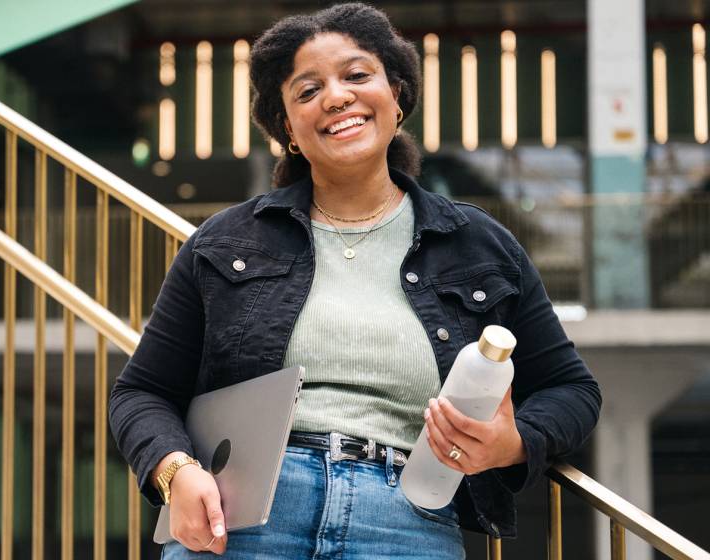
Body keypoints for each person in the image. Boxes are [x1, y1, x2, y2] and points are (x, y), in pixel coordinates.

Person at [109, 3, 601, 559]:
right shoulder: (225, 242)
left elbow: (573, 390)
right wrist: (175, 471)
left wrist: (514, 444)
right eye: (307, 90)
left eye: (357, 75)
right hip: (243, 521)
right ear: (288, 128)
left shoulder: (479, 244)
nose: (336, 97)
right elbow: (141, 392)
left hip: (407, 520)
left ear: (397, 95)